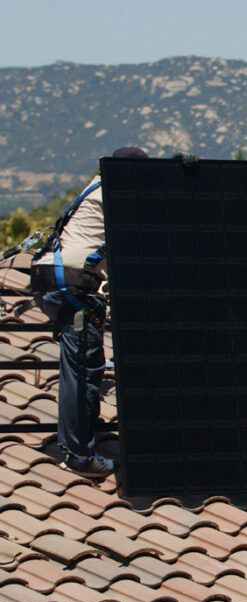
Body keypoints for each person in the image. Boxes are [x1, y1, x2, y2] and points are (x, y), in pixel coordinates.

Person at [29, 146, 149, 478]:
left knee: (84, 361)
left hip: (47, 279)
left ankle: (86, 427)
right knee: (82, 367)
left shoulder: (95, 187)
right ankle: (79, 454)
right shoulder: (120, 192)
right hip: (75, 286)